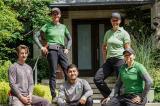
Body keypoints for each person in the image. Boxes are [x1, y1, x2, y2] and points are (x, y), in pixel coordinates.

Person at [34, 7, 72, 102]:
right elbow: (35, 36)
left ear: (60, 15)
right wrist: (41, 47)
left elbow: (70, 39)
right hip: (52, 50)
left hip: (61, 50)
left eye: (57, 14)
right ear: (52, 16)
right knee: (53, 74)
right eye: (53, 14)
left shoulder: (63, 27)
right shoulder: (47, 25)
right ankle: (54, 96)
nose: (55, 15)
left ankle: (70, 93)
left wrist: (67, 48)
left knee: (67, 71)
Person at [93, 12, 131, 103]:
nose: (115, 22)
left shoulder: (124, 33)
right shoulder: (108, 33)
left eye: (116, 20)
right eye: (113, 20)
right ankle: (111, 97)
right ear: (111, 21)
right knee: (97, 78)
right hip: (109, 60)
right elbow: (104, 46)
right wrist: (105, 58)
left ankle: (120, 102)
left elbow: (128, 49)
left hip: (120, 60)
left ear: (120, 21)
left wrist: (127, 61)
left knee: (121, 84)